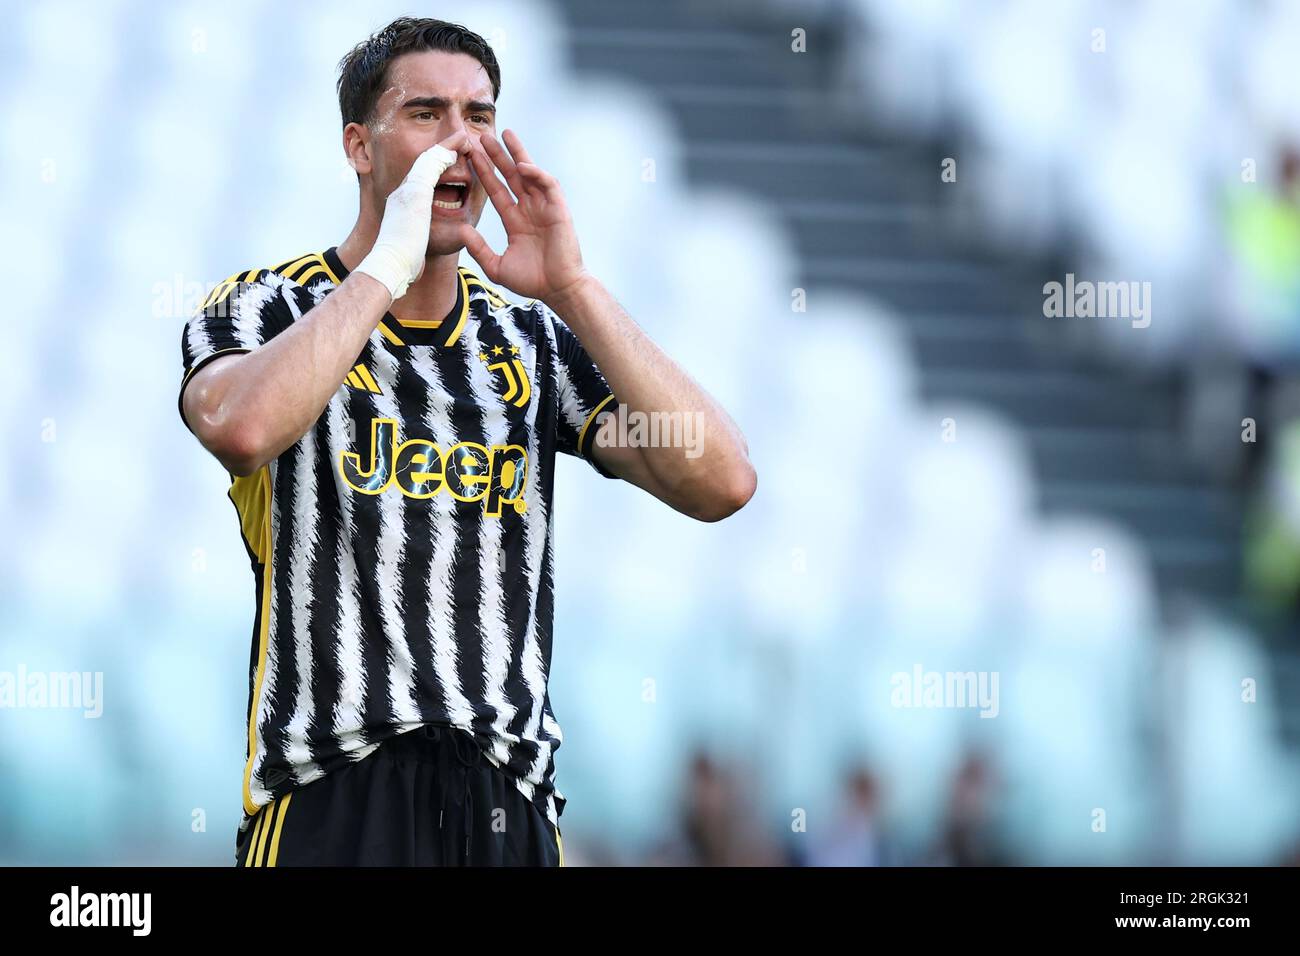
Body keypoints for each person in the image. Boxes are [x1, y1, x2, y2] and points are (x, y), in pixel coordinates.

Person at [177, 16, 756, 866]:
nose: (459, 141)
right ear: (358, 147)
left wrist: (574, 287)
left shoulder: (532, 339)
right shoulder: (264, 308)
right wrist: (388, 266)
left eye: (480, 118)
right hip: (332, 793)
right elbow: (242, 428)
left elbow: (722, 481)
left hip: (504, 794)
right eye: (426, 114)